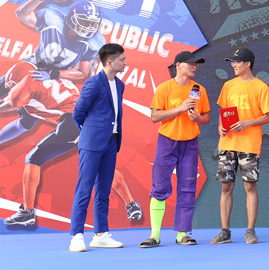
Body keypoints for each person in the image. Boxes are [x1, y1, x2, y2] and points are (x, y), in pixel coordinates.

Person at [0, 62, 142, 227]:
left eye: (13, 86)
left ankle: (27, 212)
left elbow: (13, 103)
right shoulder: (46, 85)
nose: (10, 90)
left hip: (73, 122)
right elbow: (21, 120)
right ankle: (131, 204)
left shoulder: (28, 90)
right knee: (100, 164)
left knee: (33, 159)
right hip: (94, 120)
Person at [140, 51, 210, 248]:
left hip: (190, 143)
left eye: (196, 64)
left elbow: (206, 117)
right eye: (191, 63)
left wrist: (198, 118)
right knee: (160, 186)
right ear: (178, 65)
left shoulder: (199, 90)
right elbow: (155, 116)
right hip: (167, 142)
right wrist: (180, 108)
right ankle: (154, 235)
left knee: (187, 187)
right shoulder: (165, 88)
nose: (195, 66)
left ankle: (182, 234)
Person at [211, 48, 269, 245]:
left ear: (248, 64)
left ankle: (250, 231)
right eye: (232, 62)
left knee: (249, 186)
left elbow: (268, 116)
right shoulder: (228, 85)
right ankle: (225, 232)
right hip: (228, 143)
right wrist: (221, 127)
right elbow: (223, 112)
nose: (233, 65)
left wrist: (247, 123)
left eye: (237, 62)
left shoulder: (261, 87)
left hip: (249, 144)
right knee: (226, 187)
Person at [68, 43, 126, 252]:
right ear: (109, 62)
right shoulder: (93, 83)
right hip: (92, 144)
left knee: (103, 191)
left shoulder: (120, 85)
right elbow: (78, 113)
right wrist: (87, 132)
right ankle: (76, 236)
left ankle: (101, 234)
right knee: (84, 189)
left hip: (111, 143)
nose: (125, 63)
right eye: (122, 60)